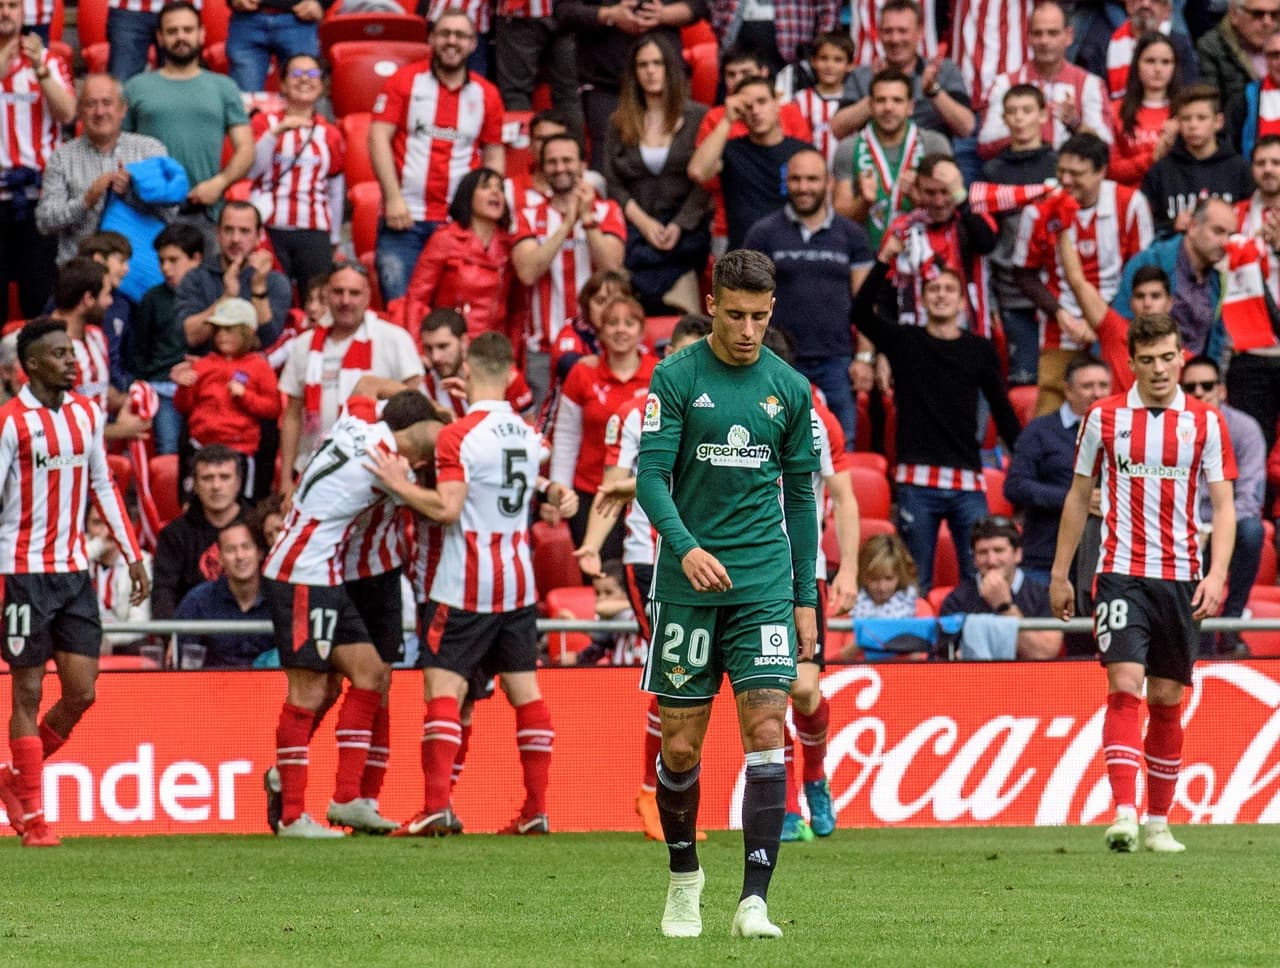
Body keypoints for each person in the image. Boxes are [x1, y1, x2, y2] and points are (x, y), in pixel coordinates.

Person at [635, 249, 820, 940]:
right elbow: (650, 478)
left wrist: (805, 594)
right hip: (688, 586)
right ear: (712, 305)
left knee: (768, 731)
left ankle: (754, 903)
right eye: (736, 315)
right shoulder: (675, 378)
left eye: (760, 317)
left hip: (763, 584)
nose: (748, 331)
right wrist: (687, 549)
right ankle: (685, 879)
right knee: (681, 748)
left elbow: (801, 497)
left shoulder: (790, 388)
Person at [365, 333, 577, 838]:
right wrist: (553, 489)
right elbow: (526, 469)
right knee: (525, 691)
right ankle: (536, 809)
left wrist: (398, 484)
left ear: (466, 367)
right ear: (511, 374)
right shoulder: (528, 434)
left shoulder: (457, 436)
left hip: (466, 582)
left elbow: (447, 507)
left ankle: (436, 806)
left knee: (443, 688)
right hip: (519, 580)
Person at [1050, 311, 1237, 855]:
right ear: (1129, 363)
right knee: (1125, 682)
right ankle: (1125, 813)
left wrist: (1217, 573)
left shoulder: (1206, 422)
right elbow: (1078, 497)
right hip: (1120, 571)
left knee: (1166, 697)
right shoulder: (1104, 417)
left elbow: (1224, 507)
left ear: (1182, 357)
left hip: (1181, 576)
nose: (1159, 369)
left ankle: (1158, 822)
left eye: (1168, 357)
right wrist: (1061, 573)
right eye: (1148, 359)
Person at [263, 390, 444, 837]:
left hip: (324, 575)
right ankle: (291, 817)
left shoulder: (355, 421)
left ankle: (347, 798)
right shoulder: (387, 467)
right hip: (301, 574)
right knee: (308, 690)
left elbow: (364, 389)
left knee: (371, 674)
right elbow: (442, 508)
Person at [0, 318, 148, 847]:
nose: (72, 361)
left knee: (82, 692)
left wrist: (132, 554)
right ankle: (35, 819)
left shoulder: (86, 413)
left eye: (72, 352)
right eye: (60, 354)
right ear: (31, 365)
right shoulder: (11, 422)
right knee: (28, 691)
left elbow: (103, 485)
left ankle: (14, 779)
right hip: (22, 572)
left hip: (73, 572)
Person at [571, 312, 710, 842]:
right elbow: (612, 485)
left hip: (708, 557)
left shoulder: (721, 410)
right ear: (666, 356)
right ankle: (655, 793)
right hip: (651, 559)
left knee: (694, 678)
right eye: (682, 354)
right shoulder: (635, 414)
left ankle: (671, 792)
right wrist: (590, 543)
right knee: (676, 675)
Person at [854, 233, 1023, 590]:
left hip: (967, 481)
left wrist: (1023, 458)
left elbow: (1002, 407)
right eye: (933, 289)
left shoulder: (979, 349)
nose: (941, 295)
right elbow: (859, 312)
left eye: (949, 289)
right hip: (917, 481)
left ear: (962, 301)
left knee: (981, 581)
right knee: (916, 583)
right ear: (922, 298)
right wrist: (884, 260)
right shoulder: (905, 340)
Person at [757, 325, 859, 843]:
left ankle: (816, 776)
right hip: (751, 575)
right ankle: (787, 803)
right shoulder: (727, 417)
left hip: (803, 574)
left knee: (802, 689)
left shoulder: (817, 421)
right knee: (769, 693)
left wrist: (849, 568)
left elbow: (844, 495)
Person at [369, 9, 505, 302]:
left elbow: (494, 156)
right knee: (401, 311)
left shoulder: (488, 95)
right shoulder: (404, 81)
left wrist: (483, 214)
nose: (452, 41)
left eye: (461, 35)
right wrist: (392, 198)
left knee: (450, 317)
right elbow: (378, 137)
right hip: (404, 220)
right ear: (431, 39)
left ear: (473, 43)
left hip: (459, 224)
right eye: (445, 33)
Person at [1013, 133, 1153, 414]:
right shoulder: (1040, 208)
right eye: (1061, 171)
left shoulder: (1130, 203)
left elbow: (1139, 273)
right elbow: (1023, 273)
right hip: (1060, 331)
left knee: (1119, 414)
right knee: (1051, 416)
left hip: (1116, 326)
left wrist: (1102, 321)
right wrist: (1060, 314)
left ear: (1101, 172)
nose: (1066, 180)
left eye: (1076, 174)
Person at [744, 148, 873, 450]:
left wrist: (865, 358)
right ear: (786, 182)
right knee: (771, 445)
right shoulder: (763, 233)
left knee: (840, 446)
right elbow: (746, 300)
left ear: (829, 182)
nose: (804, 187)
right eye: (796, 179)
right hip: (777, 362)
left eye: (812, 179)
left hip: (838, 361)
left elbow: (866, 303)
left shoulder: (852, 235)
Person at [278, 263, 424, 492]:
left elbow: (415, 404)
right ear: (327, 294)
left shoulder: (393, 338)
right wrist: (286, 478)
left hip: (374, 471)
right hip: (312, 469)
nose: (345, 301)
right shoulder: (303, 344)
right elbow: (293, 415)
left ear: (368, 296)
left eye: (354, 293)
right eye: (338, 292)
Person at [511, 134, 626, 406]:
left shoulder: (607, 211)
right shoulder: (527, 215)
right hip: (544, 348)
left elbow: (612, 266)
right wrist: (566, 225)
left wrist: (586, 220)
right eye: (552, 162)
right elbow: (527, 272)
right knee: (544, 427)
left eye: (567, 160)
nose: (560, 167)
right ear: (542, 168)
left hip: (601, 345)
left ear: (583, 165)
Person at [123, 2, 254, 240]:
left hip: (205, 212)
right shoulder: (136, 87)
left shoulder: (224, 87)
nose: (181, 37)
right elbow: (117, 148)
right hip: (147, 213)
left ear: (201, 34)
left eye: (188, 30)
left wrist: (219, 183)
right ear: (160, 37)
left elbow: (246, 149)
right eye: (172, 31)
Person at [603, 33, 711, 316]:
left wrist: (679, 224)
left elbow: (705, 181)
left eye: (657, 63)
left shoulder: (699, 117)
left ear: (669, 68)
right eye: (643, 65)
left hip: (685, 231)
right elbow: (612, 180)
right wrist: (643, 222)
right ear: (634, 73)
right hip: (636, 228)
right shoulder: (619, 121)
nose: (650, 71)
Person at [551, 295, 656, 556]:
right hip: (591, 490)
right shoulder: (581, 373)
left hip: (643, 494)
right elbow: (566, 437)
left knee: (640, 572)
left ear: (641, 331)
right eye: (612, 323)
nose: (621, 330)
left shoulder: (660, 373)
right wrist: (559, 489)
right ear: (600, 331)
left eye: (629, 323)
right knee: (600, 571)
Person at [35, 73, 171, 268]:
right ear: (80, 111)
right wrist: (86, 200)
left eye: (107, 103)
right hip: (80, 274)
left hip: (138, 272)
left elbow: (170, 213)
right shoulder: (61, 158)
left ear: (122, 109)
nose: (99, 112)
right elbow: (45, 222)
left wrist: (134, 193)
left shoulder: (150, 151)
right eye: (91, 104)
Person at [1180, 356, 1267, 657]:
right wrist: (1196, 527)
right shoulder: (1169, 429)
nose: (1199, 392)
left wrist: (1215, 528)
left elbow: (1250, 495)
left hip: (1228, 518)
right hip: (1185, 524)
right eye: (1190, 387)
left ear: (1221, 390)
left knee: (1253, 531)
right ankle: (1199, 642)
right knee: (1190, 545)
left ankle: (1231, 622)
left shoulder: (1245, 428)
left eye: (1206, 385)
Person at [553, 0, 706, 171]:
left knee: (679, 160)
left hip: (666, 79)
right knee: (606, 164)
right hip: (605, 82)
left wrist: (663, 15)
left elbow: (698, 6)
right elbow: (563, 11)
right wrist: (609, 15)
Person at [1004, 354, 1114, 584]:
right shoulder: (1040, 430)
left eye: (1103, 385)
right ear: (1068, 390)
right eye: (1087, 386)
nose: (1097, 393)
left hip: (1105, 561)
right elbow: (1016, 486)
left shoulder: (1122, 433)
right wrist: (1075, 499)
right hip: (1046, 558)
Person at [247, 54, 345, 304]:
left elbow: (335, 189)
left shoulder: (330, 133)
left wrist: (334, 237)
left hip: (315, 230)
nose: (304, 80)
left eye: (312, 74)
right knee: (270, 299)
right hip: (270, 228)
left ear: (322, 84)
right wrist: (275, 134)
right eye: (296, 74)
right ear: (282, 83)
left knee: (317, 302)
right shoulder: (263, 122)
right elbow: (252, 171)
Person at [0, 0, 74, 327]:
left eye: (12, 5)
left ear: (24, 12)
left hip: (37, 196)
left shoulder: (49, 60)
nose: (5, 12)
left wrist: (40, 71)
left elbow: (67, 114)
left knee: (37, 293)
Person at [981, 84, 1059, 386]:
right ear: (1003, 118)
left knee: (1061, 380)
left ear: (1043, 115)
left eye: (1027, 110)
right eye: (1012, 112)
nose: (1019, 118)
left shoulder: (1059, 164)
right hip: (1011, 293)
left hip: (1058, 290)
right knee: (1023, 383)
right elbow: (987, 243)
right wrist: (991, 301)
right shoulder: (993, 170)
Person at [172, 297, 282, 499]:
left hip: (239, 450)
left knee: (241, 505)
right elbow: (183, 407)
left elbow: (273, 408)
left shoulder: (259, 366)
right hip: (201, 447)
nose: (222, 335)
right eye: (218, 330)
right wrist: (184, 387)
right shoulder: (203, 365)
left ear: (247, 332)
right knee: (193, 503)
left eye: (229, 329)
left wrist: (245, 397)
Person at [832, 68, 953, 251]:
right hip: (865, 255)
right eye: (881, 100)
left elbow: (950, 213)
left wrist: (918, 199)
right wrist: (864, 202)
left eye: (897, 100)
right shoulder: (848, 148)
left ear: (910, 107)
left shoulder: (934, 144)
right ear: (870, 106)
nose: (888, 107)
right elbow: (840, 219)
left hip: (923, 254)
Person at [978, 1, 1113, 160]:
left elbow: (1106, 148)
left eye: (1053, 33)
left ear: (1069, 36)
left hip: (1068, 172)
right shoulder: (1004, 84)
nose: (1044, 41)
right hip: (1019, 170)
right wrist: (1032, 128)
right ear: (1028, 38)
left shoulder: (1089, 84)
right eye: (1037, 33)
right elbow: (986, 144)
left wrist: (1075, 123)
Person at [687, 78, 812, 251]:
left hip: (792, 253)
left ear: (777, 104)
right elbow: (698, 171)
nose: (755, 111)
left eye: (762, 101)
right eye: (747, 106)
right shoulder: (731, 150)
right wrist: (727, 120)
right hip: (745, 254)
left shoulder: (802, 152)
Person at [831, 0, 975, 144]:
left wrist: (933, 91)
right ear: (879, 34)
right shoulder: (861, 75)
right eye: (888, 31)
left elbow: (966, 127)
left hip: (930, 154)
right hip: (873, 155)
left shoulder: (943, 70)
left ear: (919, 33)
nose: (895, 39)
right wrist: (876, 94)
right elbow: (838, 129)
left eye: (902, 31)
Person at [402, 167, 512, 342]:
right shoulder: (445, 238)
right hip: (450, 345)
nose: (495, 192)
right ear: (468, 195)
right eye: (485, 187)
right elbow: (417, 299)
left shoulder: (510, 245)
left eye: (500, 188)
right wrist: (416, 348)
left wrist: (512, 352)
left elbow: (518, 309)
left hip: (493, 349)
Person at [125, 221, 205, 455]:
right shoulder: (152, 299)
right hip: (163, 386)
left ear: (196, 258)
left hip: (204, 384)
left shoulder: (210, 293)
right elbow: (139, 348)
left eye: (173, 260)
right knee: (168, 450)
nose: (166, 268)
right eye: (161, 261)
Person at [939, 516, 1064, 660]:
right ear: (974, 559)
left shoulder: (1044, 594)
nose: (991, 561)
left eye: (998, 550)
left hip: (1029, 674)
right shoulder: (956, 600)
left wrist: (1004, 607)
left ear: (1017, 554)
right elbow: (946, 659)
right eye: (983, 552)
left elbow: (1044, 653)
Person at [176, 201, 292, 354]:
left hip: (252, 367)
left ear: (258, 236)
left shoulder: (275, 281)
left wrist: (259, 287)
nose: (235, 239)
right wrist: (226, 297)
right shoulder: (195, 277)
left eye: (244, 231)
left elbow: (268, 341)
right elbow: (190, 337)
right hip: (205, 365)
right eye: (228, 230)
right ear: (218, 233)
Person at [151, 444, 251, 620]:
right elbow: (164, 594)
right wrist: (172, 634)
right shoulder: (174, 535)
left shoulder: (257, 528)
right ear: (195, 485)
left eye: (225, 477)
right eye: (207, 478)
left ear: (238, 483)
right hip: (192, 630)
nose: (216, 486)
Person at [1141, 85, 1253, 238]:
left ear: (1218, 121)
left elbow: (1252, 220)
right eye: (1186, 118)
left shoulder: (1240, 169)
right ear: (1177, 123)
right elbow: (1144, 225)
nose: (1193, 125)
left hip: (1228, 249)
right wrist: (1172, 225)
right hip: (1175, 249)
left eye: (1201, 118)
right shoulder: (1161, 171)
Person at [174, 520, 274, 668]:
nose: (240, 556)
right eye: (230, 550)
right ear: (220, 559)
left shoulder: (280, 600)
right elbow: (185, 663)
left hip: (272, 682)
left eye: (246, 547)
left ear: (259, 553)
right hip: (213, 681)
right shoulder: (197, 601)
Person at [413, 308, 534, 419]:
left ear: (464, 341)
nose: (435, 357)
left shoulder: (504, 377)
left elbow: (529, 427)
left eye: (443, 346)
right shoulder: (424, 387)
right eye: (428, 348)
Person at [492, 0, 582, 139]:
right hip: (563, 11)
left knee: (516, 92)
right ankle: (574, 149)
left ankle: (522, 149)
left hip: (520, 15)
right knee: (567, 94)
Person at [1109, 33, 1180, 188]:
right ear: (1137, 65)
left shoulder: (1185, 113)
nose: (1158, 69)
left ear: (1175, 67)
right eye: (1150, 61)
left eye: (1166, 62)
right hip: (1129, 195)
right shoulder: (1115, 111)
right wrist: (1153, 157)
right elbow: (1110, 169)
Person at [776, 30, 856, 166]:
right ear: (813, 61)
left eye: (838, 60)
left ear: (850, 65)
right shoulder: (801, 99)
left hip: (846, 172)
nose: (830, 66)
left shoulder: (855, 101)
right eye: (823, 58)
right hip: (809, 171)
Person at [704, 0, 836, 79]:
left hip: (792, 43)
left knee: (787, 103)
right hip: (736, 37)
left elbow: (828, 9)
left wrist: (821, 47)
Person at [1096, 0, 1198, 100]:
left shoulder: (1180, 45)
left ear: (1167, 11)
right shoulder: (1105, 44)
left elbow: (1190, 93)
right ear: (1129, 6)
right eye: (1139, 0)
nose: (1145, 4)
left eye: (1155, 1)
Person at [86, 502, 153, 654]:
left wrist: (107, 640)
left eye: (112, 523)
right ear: (86, 527)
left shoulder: (141, 562)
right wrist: (97, 546)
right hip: (78, 642)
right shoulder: (77, 555)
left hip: (122, 645)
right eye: (97, 523)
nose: (106, 531)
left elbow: (139, 623)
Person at [1196, 0, 1279, 117]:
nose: (1267, 22)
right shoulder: (1212, 48)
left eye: (1274, 15)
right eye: (1258, 14)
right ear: (1234, 14)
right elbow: (1211, 105)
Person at [224, 0, 323, 94]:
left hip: (301, 18)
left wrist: (321, 3)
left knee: (303, 98)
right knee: (245, 101)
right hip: (246, 19)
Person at [849, 533, 920, 619]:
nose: (882, 587)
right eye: (874, 579)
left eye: (889, 578)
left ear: (900, 575)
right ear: (863, 575)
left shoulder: (915, 606)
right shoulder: (848, 605)